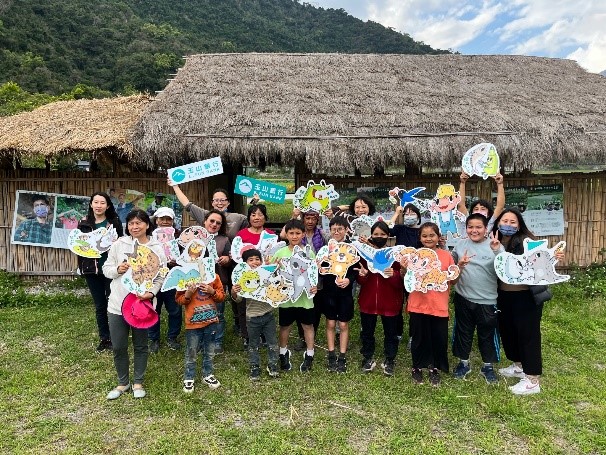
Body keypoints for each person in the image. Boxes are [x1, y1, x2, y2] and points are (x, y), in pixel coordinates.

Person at [490, 208, 564, 395]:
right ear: (498, 222)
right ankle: (518, 366)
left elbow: (541, 261)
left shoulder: (524, 242)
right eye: (504, 220)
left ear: (519, 225)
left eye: (513, 222)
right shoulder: (492, 241)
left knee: (527, 335)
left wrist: (554, 257)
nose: (508, 224)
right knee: (508, 331)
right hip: (503, 296)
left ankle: (532, 380)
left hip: (527, 297)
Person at [102, 210, 166, 400]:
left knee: (140, 345)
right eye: (131, 223)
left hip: (142, 305)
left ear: (147, 224)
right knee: (118, 346)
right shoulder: (118, 245)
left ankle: (138, 381)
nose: (134, 227)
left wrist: (151, 293)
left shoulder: (156, 247)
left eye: (139, 223)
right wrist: (117, 269)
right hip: (117, 304)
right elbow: (106, 269)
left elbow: (161, 274)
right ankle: (123, 382)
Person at [451, 213, 502, 384]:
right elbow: (450, 266)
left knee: (487, 334)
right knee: (463, 331)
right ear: (466, 228)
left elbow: (504, 268)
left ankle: (488, 366)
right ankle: (463, 363)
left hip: (487, 301)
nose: (474, 230)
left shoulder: (495, 246)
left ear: (486, 229)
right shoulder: (460, 244)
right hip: (463, 297)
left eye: (478, 227)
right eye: (470, 227)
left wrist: (496, 251)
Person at [404, 222, 456, 386]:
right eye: (424, 236)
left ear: (438, 237)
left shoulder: (446, 255)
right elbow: (406, 280)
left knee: (438, 338)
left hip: (438, 304)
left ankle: (435, 368)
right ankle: (417, 366)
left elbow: (452, 280)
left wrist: (458, 268)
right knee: (418, 337)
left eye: (432, 235)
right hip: (417, 303)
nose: (428, 238)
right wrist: (404, 269)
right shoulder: (413, 255)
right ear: (419, 238)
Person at [77, 191, 124, 352]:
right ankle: (105, 338)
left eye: (102, 203)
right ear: (91, 204)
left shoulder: (114, 222)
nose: (98, 205)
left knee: (114, 302)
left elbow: (121, 244)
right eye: (96, 202)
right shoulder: (83, 222)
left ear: (108, 206)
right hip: (91, 270)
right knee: (100, 304)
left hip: (110, 269)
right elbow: (78, 246)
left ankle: (117, 334)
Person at [356, 220, 403, 376]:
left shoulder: (395, 255)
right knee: (367, 332)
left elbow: (401, 281)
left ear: (388, 236)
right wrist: (363, 274)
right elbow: (361, 280)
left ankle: (390, 359)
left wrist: (394, 275)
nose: (379, 237)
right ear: (371, 235)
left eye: (382, 234)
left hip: (390, 302)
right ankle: (367, 357)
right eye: (376, 234)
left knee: (391, 333)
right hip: (368, 301)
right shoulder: (364, 254)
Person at [271, 219, 318, 373]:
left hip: (305, 299)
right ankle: (283, 352)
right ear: (286, 235)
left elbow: (313, 274)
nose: (294, 236)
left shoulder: (309, 252)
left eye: (298, 233)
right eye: (291, 233)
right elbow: (272, 274)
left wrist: (314, 286)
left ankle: (310, 353)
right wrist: (273, 267)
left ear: (303, 234)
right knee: (285, 326)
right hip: (286, 299)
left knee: (308, 326)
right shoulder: (279, 253)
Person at [175, 262, 225, 393]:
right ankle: (189, 377)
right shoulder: (184, 279)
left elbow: (221, 297)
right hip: (193, 324)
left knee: (209, 350)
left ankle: (207, 374)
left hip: (211, 321)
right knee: (192, 351)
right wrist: (187, 294)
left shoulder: (214, 277)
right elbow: (179, 300)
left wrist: (212, 291)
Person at [315, 216, 357, 373]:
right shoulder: (326, 250)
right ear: (330, 231)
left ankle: (342, 355)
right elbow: (321, 270)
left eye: (340, 229)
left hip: (345, 293)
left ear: (346, 230)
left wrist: (348, 279)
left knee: (343, 324)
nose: (337, 232)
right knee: (331, 323)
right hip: (329, 292)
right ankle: (331, 353)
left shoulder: (351, 249)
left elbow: (355, 271)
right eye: (334, 229)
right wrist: (320, 265)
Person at [231, 248, 280, 380]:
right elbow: (238, 299)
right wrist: (234, 291)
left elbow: (278, 287)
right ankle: (254, 366)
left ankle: (272, 364)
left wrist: (274, 268)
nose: (255, 262)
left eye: (257, 259)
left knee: (272, 342)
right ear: (245, 264)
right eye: (250, 260)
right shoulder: (243, 279)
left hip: (268, 315)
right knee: (253, 344)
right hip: (252, 318)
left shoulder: (267, 275)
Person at [234, 204, 276, 346]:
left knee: (264, 304)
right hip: (246, 276)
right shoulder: (241, 234)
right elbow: (236, 254)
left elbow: (273, 256)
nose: (257, 217)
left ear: (265, 217)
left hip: (264, 277)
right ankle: (247, 336)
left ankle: (264, 335)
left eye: (260, 214)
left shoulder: (271, 235)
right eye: (253, 214)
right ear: (249, 217)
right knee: (244, 306)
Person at [148, 207, 182, 353]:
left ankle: (172, 337)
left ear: (173, 221)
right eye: (162, 219)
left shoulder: (179, 236)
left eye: (168, 219)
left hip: (172, 276)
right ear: (156, 220)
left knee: (174, 308)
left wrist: (178, 260)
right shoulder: (149, 237)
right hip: (154, 277)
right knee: (153, 308)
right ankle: (153, 339)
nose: (165, 222)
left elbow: (187, 255)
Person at [168, 180, 248, 241]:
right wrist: (175, 186)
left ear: (228, 203)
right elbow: (187, 204)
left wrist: (255, 203)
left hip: (231, 258)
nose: (219, 203)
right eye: (216, 200)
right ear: (212, 203)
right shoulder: (205, 215)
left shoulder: (239, 218)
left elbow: (254, 225)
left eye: (222, 200)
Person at [202, 209, 231, 354]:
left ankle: (217, 341)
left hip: (218, 282)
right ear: (205, 221)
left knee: (218, 313)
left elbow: (230, 259)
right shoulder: (193, 237)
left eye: (218, 223)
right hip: (198, 283)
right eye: (212, 221)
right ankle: (202, 341)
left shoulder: (224, 240)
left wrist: (227, 259)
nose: (214, 225)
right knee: (200, 312)